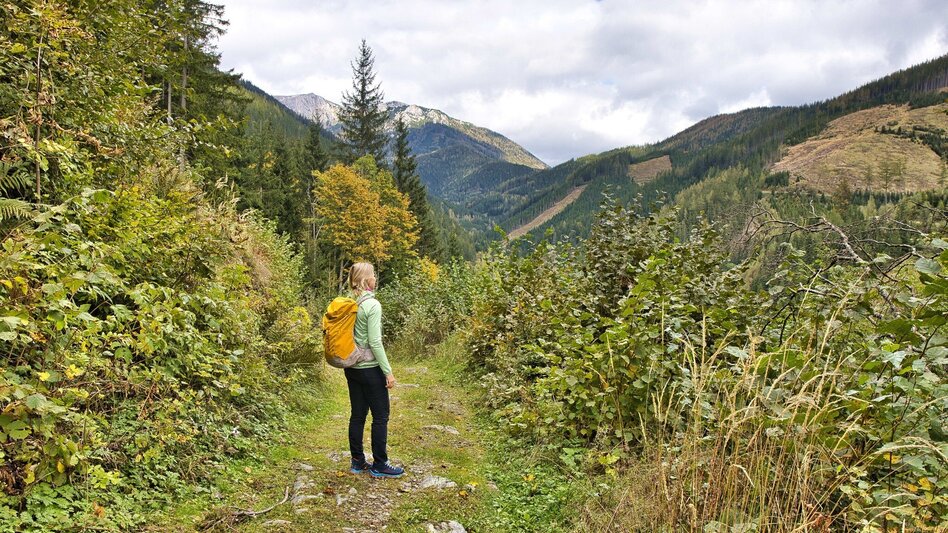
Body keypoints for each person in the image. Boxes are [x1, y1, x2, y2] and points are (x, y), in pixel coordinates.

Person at [345, 262, 404, 478]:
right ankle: (380, 464)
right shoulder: (373, 305)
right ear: (366, 280)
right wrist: (387, 371)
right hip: (370, 369)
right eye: (373, 275)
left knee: (357, 415)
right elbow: (375, 342)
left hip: (352, 367)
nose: (375, 278)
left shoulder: (350, 304)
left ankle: (358, 461)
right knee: (380, 416)